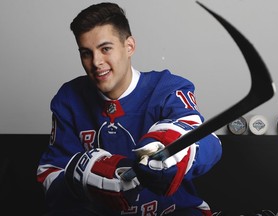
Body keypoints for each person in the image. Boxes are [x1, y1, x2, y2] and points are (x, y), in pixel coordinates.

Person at [36, 2, 222, 216]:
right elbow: (49, 174)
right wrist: (82, 177)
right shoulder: (69, 99)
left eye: (105, 49)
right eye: (86, 53)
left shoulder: (168, 89)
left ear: (129, 46)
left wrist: (177, 147)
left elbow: (210, 144)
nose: (96, 62)